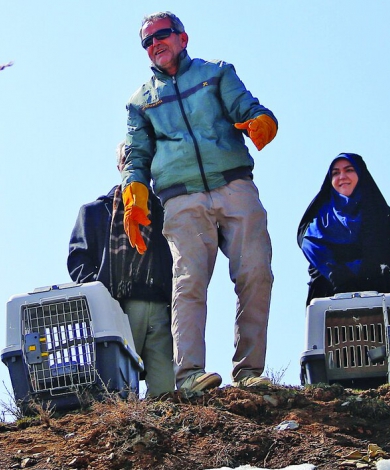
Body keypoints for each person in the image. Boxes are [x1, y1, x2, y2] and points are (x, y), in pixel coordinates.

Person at [120, 11, 278, 392]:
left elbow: (246, 107)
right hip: (181, 198)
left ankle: (249, 372)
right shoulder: (139, 103)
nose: (154, 43)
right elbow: (136, 157)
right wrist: (134, 199)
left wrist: (260, 120)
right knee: (188, 281)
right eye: (147, 41)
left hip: (234, 184)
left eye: (161, 35)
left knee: (256, 273)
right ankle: (189, 375)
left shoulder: (217, 73)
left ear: (182, 38)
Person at [67, 143, 175, 396]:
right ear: (119, 166)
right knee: (119, 391)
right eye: (128, 160)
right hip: (118, 309)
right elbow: (78, 260)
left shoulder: (165, 210)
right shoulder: (95, 211)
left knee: (166, 392)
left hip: (161, 309)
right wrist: (103, 297)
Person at [297, 153, 390, 305]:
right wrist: (336, 273)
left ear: (361, 174)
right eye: (335, 173)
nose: (342, 176)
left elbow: (385, 252)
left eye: (349, 170)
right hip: (328, 295)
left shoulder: (379, 212)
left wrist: (355, 270)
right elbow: (311, 245)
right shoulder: (319, 216)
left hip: (375, 295)